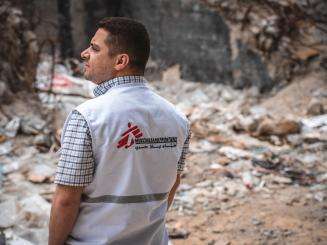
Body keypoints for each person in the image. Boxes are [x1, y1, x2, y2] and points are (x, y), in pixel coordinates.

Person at [49, 17, 191, 245]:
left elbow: (66, 199)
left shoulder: (87, 117)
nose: (85, 53)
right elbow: (171, 186)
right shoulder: (178, 118)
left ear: (120, 61)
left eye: (94, 48)